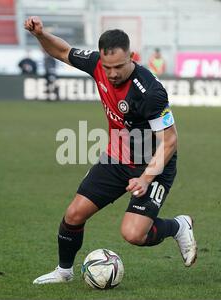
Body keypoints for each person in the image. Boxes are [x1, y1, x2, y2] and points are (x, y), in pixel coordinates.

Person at [24, 16, 197, 284]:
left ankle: (178, 226)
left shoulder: (150, 91)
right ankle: (64, 271)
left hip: (153, 165)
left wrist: (146, 178)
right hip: (117, 159)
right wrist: (40, 34)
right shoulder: (97, 65)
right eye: (108, 67)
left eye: (119, 66)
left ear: (132, 57)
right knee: (74, 214)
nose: (113, 73)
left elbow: (171, 141)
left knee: (133, 234)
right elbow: (61, 50)